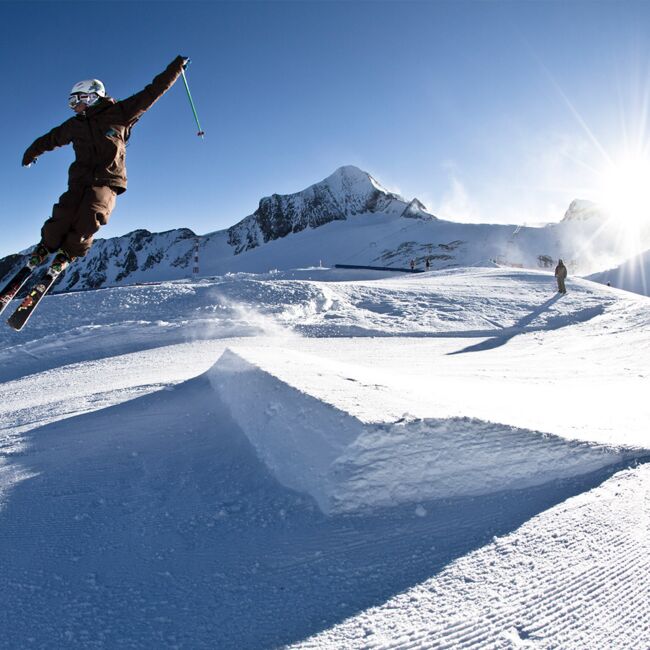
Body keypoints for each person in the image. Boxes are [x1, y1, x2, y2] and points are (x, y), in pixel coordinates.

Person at [21, 55, 189, 266]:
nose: (73, 106)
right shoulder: (75, 125)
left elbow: (153, 91)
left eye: (75, 100)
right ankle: (46, 246)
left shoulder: (120, 113)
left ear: (90, 97)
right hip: (80, 178)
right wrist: (31, 153)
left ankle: (69, 252)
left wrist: (176, 68)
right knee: (64, 211)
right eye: (71, 102)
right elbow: (51, 138)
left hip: (107, 179)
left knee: (91, 214)